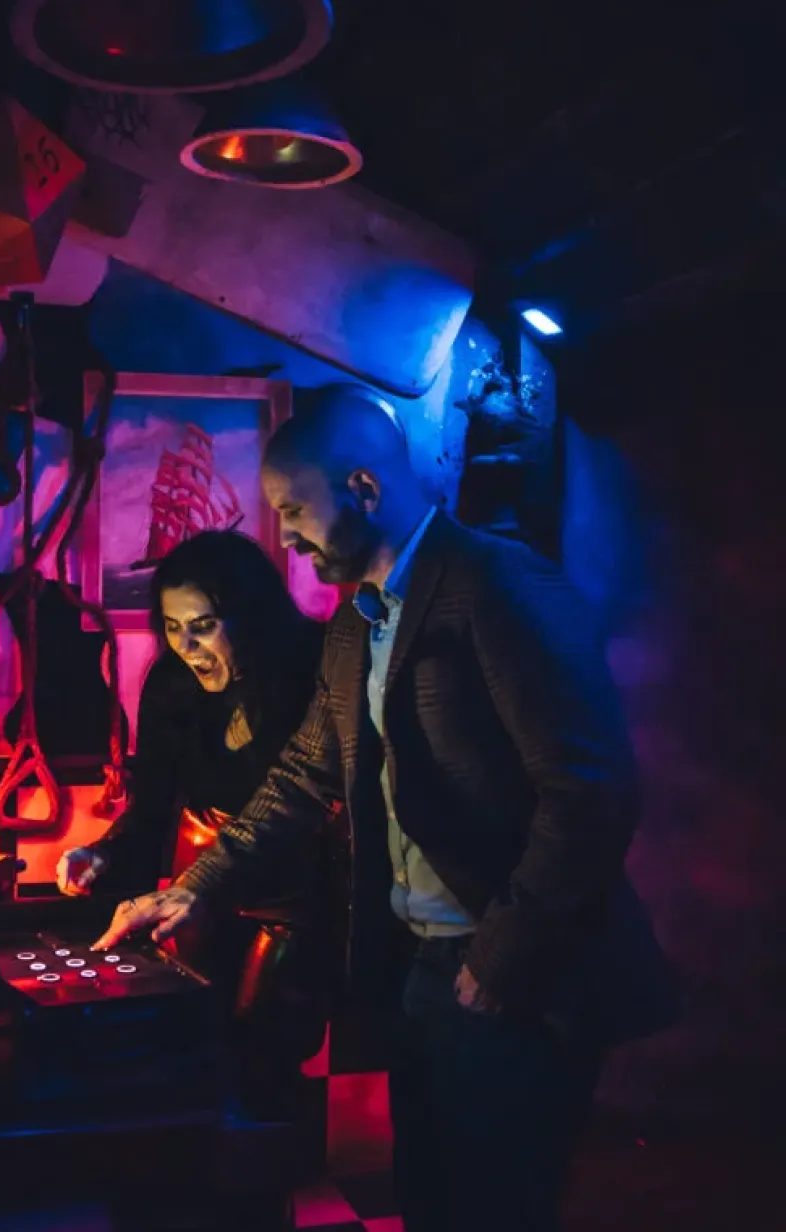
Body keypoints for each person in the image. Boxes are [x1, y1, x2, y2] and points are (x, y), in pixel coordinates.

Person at [94, 388, 678, 1232]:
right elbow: (307, 774)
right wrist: (197, 887)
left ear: (364, 487)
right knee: (431, 1202)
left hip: (514, 970)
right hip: (423, 969)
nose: (285, 536)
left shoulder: (496, 586)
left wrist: (503, 954)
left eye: (294, 509)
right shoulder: (352, 624)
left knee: (497, 1209)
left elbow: (590, 790)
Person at [57, 529, 333, 1095]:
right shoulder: (169, 683)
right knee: (192, 1046)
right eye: (172, 627)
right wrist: (103, 853)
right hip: (201, 888)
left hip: (296, 892)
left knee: (265, 1051)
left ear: (249, 618)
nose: (186, 647)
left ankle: (273, 1167)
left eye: (203, 627)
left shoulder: (313, 669)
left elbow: (303, 800)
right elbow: (152, 803)